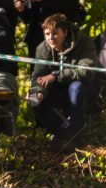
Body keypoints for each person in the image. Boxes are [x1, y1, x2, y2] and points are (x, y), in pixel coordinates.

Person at [29, 13, 97, 144]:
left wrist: (56, 76)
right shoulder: (42, 49)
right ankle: (60, 133)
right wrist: (39, 92)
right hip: (56, 91)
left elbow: (86, 72)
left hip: (81, 92)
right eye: (47, 34)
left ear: (65, 32)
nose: (50, 38)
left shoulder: (84, 42)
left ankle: (75, 132)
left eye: (55, 33)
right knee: (33, 98)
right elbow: (38, 77)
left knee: (76, 87)